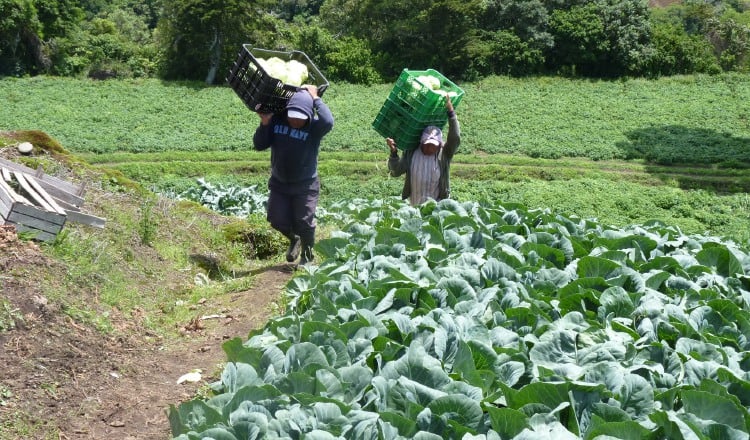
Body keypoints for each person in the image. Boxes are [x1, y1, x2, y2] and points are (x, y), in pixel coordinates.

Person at [253, 85, 334, 266]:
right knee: (275, 219)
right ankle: (294, 238)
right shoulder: (277, 121)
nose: (295, 121)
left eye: (300, 118)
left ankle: (307, 255)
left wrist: (315, 98)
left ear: (308, 115)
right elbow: (259, 144)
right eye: (292, 116)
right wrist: (265, 123)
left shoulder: (314, 128)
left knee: (305, 222)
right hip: (279, 182)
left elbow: (328, 121)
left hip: (306, 183)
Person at [386, 98, 460, 206]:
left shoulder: (444, 155)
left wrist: (451, 113)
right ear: (421, 142)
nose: (430, 148)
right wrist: (393, 153)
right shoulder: (411, 153)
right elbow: (395, 172)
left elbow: (455, 138)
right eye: (427, 144)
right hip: (414, 207)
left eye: (433, 145)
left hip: (437, 209)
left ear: (439, 144)